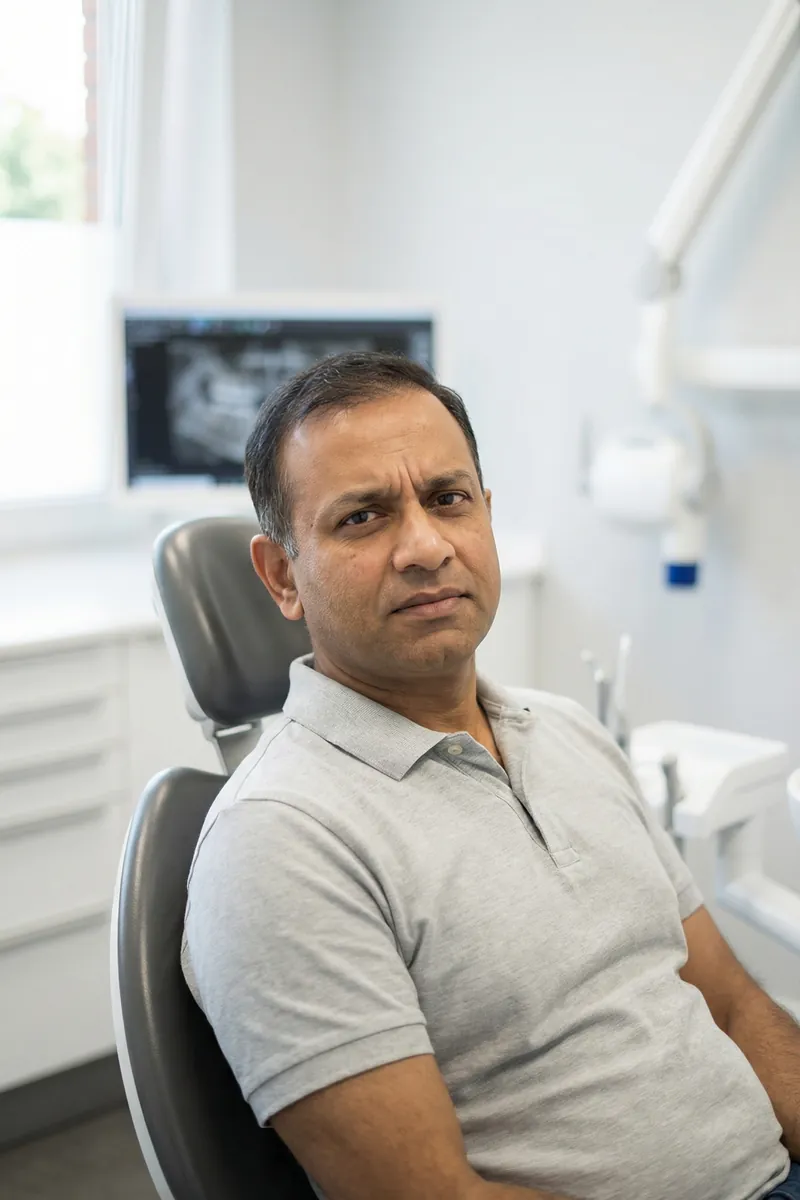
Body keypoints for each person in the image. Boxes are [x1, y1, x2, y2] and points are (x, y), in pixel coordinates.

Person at [181, 351, 800, 1200]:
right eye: (363, 517)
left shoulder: (571, 734)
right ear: (284, 575)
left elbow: (732, 1005)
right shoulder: (279, 842)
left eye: (447, 499)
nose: (426, 547)